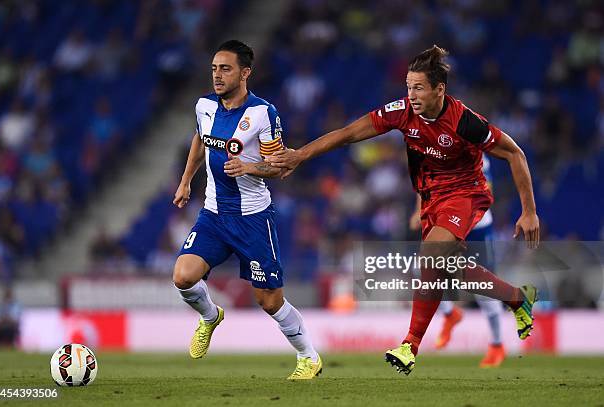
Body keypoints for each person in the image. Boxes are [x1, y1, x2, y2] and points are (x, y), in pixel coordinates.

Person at [266, 45, 539, 375]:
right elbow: (349, 134)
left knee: (430, 257)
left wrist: (529, 212)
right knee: (448, 268)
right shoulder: (402, 112)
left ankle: (409, 345)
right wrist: (300, 155)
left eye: (419, 87)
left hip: (465, 194)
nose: (411, 94)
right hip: (430, 198)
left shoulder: (465, 121)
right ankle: (516, 299)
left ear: (440, 89)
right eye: (408, 87)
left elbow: (515, 154)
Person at [172, 40, 322, 380]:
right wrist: (185, 182)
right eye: (214, 68)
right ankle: (210, 317)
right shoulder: (204, 106)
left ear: (245, 73)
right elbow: (200, 138)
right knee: (183, 276)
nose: (217, 75)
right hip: (213, 215)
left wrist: (250, 167)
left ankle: (308, 356)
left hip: (253, 218)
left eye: (225, 69)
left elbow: (279, 167)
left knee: (269, 301)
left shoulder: (262, 114)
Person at [410, 156, 506, 368]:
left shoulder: (477, 157)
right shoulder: (431, 151)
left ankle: (497, 345)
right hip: (446, 222)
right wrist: (420, 210)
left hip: (476, 227)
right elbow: (424, 184)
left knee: (483, 289)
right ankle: (450, 313)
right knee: (422, 269)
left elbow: (486, 191)